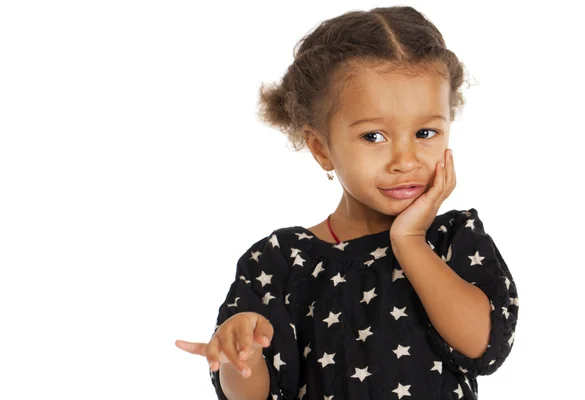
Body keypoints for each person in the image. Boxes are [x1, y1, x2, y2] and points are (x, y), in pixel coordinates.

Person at [175, 5, 519, 399]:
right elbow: (251, 395)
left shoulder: (453, 239)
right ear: (322, 148)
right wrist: (245, 357)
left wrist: (409, 239)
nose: (405, 161)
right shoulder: (279, 261)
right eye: (374, 137)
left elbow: (483, 348)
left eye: (426, 132)